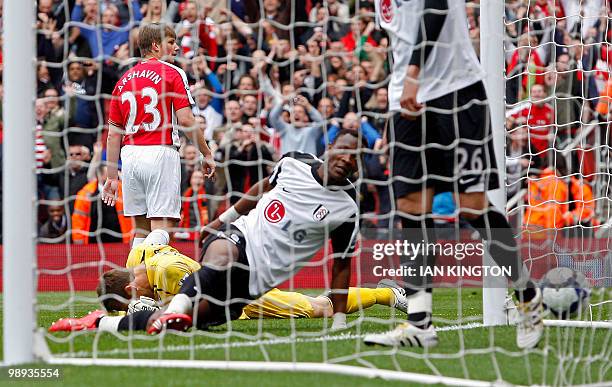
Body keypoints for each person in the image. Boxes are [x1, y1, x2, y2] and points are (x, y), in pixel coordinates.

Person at [57, 130, 364, 334]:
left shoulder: (347, 209)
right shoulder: (294, 162)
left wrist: (338, 319)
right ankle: (175, 309)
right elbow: (263, 188)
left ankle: (100, 323)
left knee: (182, 323)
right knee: (221, 257)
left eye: (355, 157)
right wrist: (221, 220)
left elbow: (341, 263)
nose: (347, 159)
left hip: (255, 282)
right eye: (344, 150)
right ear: (330, 148)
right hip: (239, 236)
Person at [367, 0, 544, 349]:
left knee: (473, 206)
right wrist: (398, 91)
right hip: (407, 101)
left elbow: (437, 7)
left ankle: (527, 297)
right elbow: (398, 37)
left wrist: (414, 75)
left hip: (457, 93)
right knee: (410, 205)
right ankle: (419, 323)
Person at [49, 231, 408, 332]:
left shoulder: (170, 275)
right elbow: (156, 234)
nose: (137, 303)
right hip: (227, 292)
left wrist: (152, 310)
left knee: (320, 308)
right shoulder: (136, 260)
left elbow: (199, 301)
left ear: (131, 290)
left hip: (241, 295)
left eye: (132, 302)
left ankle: (387, 293)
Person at [103, 23, 216, 247]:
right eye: (171, 43)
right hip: (160, 152)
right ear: (156, 45)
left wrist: (111, 176)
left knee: (141, 231)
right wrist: (207, 152)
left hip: (130, 157)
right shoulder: (173, 73)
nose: (176, 48)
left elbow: (113, 135)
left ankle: (134, 280)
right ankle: (154, 281)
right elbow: (185, 120)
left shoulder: (123, 80)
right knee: (163, 227)